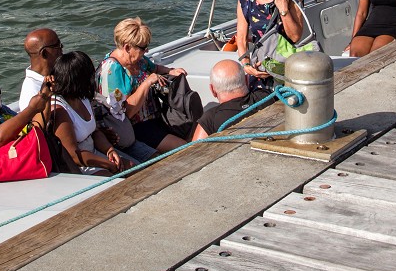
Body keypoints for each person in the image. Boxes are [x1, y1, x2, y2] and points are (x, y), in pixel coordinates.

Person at [98, 16, 189, 153]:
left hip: (154, 119)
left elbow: (154, 68)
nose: (146, 51)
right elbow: (125, 112)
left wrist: (170, 71)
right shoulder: (112, 71)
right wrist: (146, 83)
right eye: (143, 48)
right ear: (127, 47)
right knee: (183, 146)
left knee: (189, 131)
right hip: (136, 127)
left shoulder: (138, 60)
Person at [49, 51, 129, 174]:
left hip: (94, 153)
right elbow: (74, 155)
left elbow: (94, 132)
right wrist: (107, 164)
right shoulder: (60, 110)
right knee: (113, 179)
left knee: (133, 167)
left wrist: (110, 150)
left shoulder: (83, 98)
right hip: (79, 165)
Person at [234, 0, 307, 77]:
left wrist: (284, 10)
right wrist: (246, 65)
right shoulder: (245, 1)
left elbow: (295, 37)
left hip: (288, 66)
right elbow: (241, 38)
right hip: (260, 65)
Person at [190, 59, 251, 141]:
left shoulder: (210, 120)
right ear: (247, 80)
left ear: (212, 90)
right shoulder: (265, 96)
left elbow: (194, 151)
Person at [16, 27, 63, 112]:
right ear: (44, 53)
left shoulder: (56, 74)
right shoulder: (31, 93)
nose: (62, 49)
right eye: (58, 46)